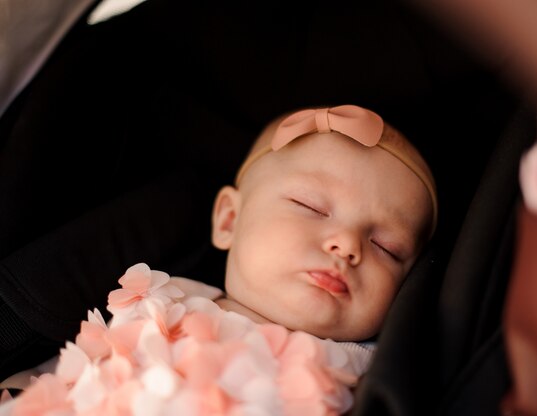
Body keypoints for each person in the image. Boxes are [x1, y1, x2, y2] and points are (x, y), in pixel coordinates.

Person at [0, 104, 438, 415]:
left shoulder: (364, 372)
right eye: (312, 208)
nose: (347, 244)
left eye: (386, 247)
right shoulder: (160, 299)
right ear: (229, 219)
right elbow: (78, 372)